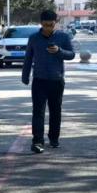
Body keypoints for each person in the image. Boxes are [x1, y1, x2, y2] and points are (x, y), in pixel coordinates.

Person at [21, 9, 76, 153]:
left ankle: (54, 138)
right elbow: (28, 58)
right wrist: (25, 76)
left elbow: (72, 54)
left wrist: (59, 51)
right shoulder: (34, 38)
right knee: (38, 112)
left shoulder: (63, 37)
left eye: (51, 25)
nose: (48, 28)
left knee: (55, 111)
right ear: (41, 23)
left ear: (55, 23)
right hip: (39, 80)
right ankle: (37, 141)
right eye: (45, 25)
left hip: (56, 80)